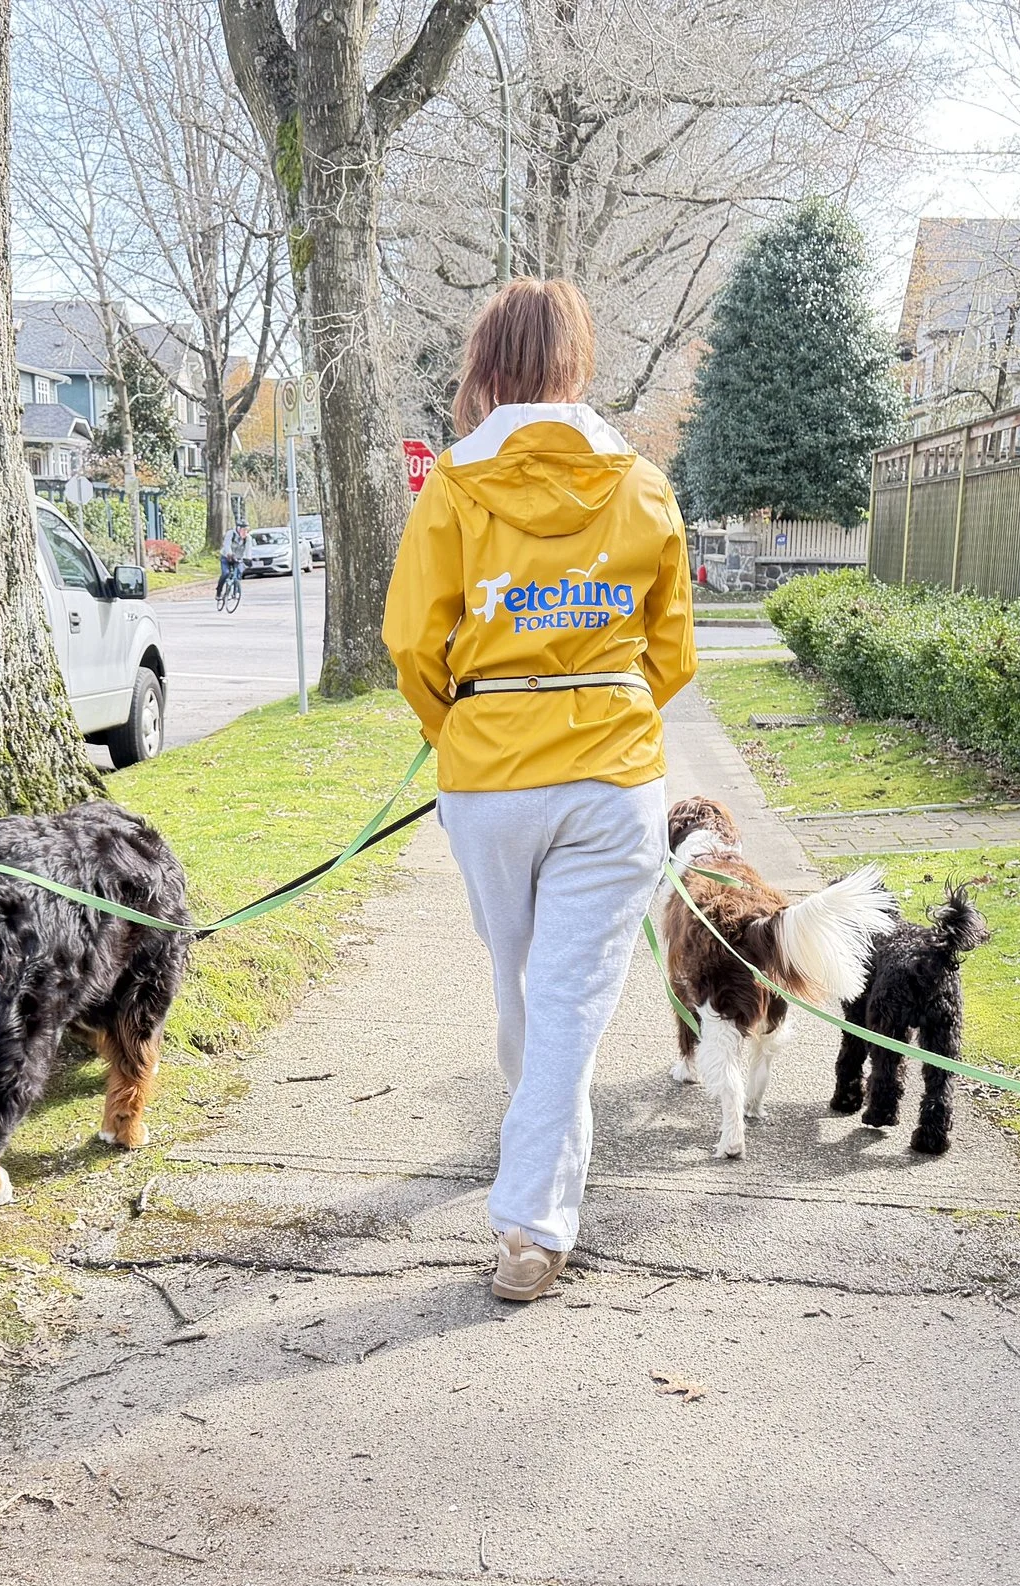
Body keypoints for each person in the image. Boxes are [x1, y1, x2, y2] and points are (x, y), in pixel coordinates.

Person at [383, 278, 696, 1303]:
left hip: (488, 778)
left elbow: (410, 644)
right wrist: (604, 706)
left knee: (522, 981)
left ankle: (530, 1207)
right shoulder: (642, 486)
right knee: (565, 1004)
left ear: (486, 368)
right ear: (578, 365)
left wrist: (465, 728)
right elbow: (672, 653)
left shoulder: (453, 491)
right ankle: (532, 1219)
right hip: (611, 779)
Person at [218, 521, 250, 599]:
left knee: (239, 572)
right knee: (226, 573)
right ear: (239, 529)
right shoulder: (231, 534)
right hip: (226, 557)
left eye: (246, 530)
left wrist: (248, 559)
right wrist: (229, 554)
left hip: (238, 558)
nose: (245, 532)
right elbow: (227, 545)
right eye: (243, 530)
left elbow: (248, 549)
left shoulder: (248, 538)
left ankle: (235, 592)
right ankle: (219, 591)